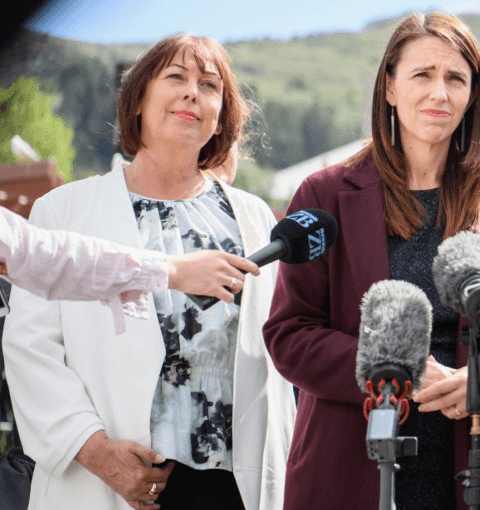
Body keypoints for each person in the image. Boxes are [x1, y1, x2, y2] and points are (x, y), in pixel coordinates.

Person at [2, 34, 295, 510]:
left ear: (222, 114)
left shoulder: (255, 217)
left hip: (234, 484)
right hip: (108, 477)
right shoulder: (65, 210)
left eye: (209, 85)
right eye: (175, 78)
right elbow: (29, 350)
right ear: (137, 100)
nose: (192, 94)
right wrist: (94, 450)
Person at [263, 12, 480, 510]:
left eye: (456, 78)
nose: (440, 93)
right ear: (389, 87)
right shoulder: (325, 194)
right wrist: (396, 372)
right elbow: (291, 333)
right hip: (352, 464)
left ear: (472, 95)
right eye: (422, 75)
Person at [0, 205, 259, 332]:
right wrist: (172, 270)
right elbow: (42, 255)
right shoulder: (67, 204)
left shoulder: (253, 214)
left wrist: (169, 270)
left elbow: (39, 253)